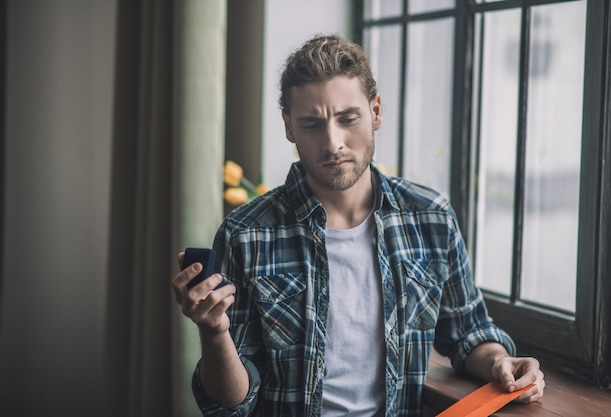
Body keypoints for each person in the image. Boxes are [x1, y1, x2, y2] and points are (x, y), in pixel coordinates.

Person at [171, 33, 545, 417]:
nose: (333, 143)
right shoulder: (245, 234)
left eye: (348, 119)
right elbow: (232, 402)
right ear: (288, 127)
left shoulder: (430, 217)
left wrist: (501, 362)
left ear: (376, 112)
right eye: (312, 125)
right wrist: (214, 333)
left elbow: (469, 334)